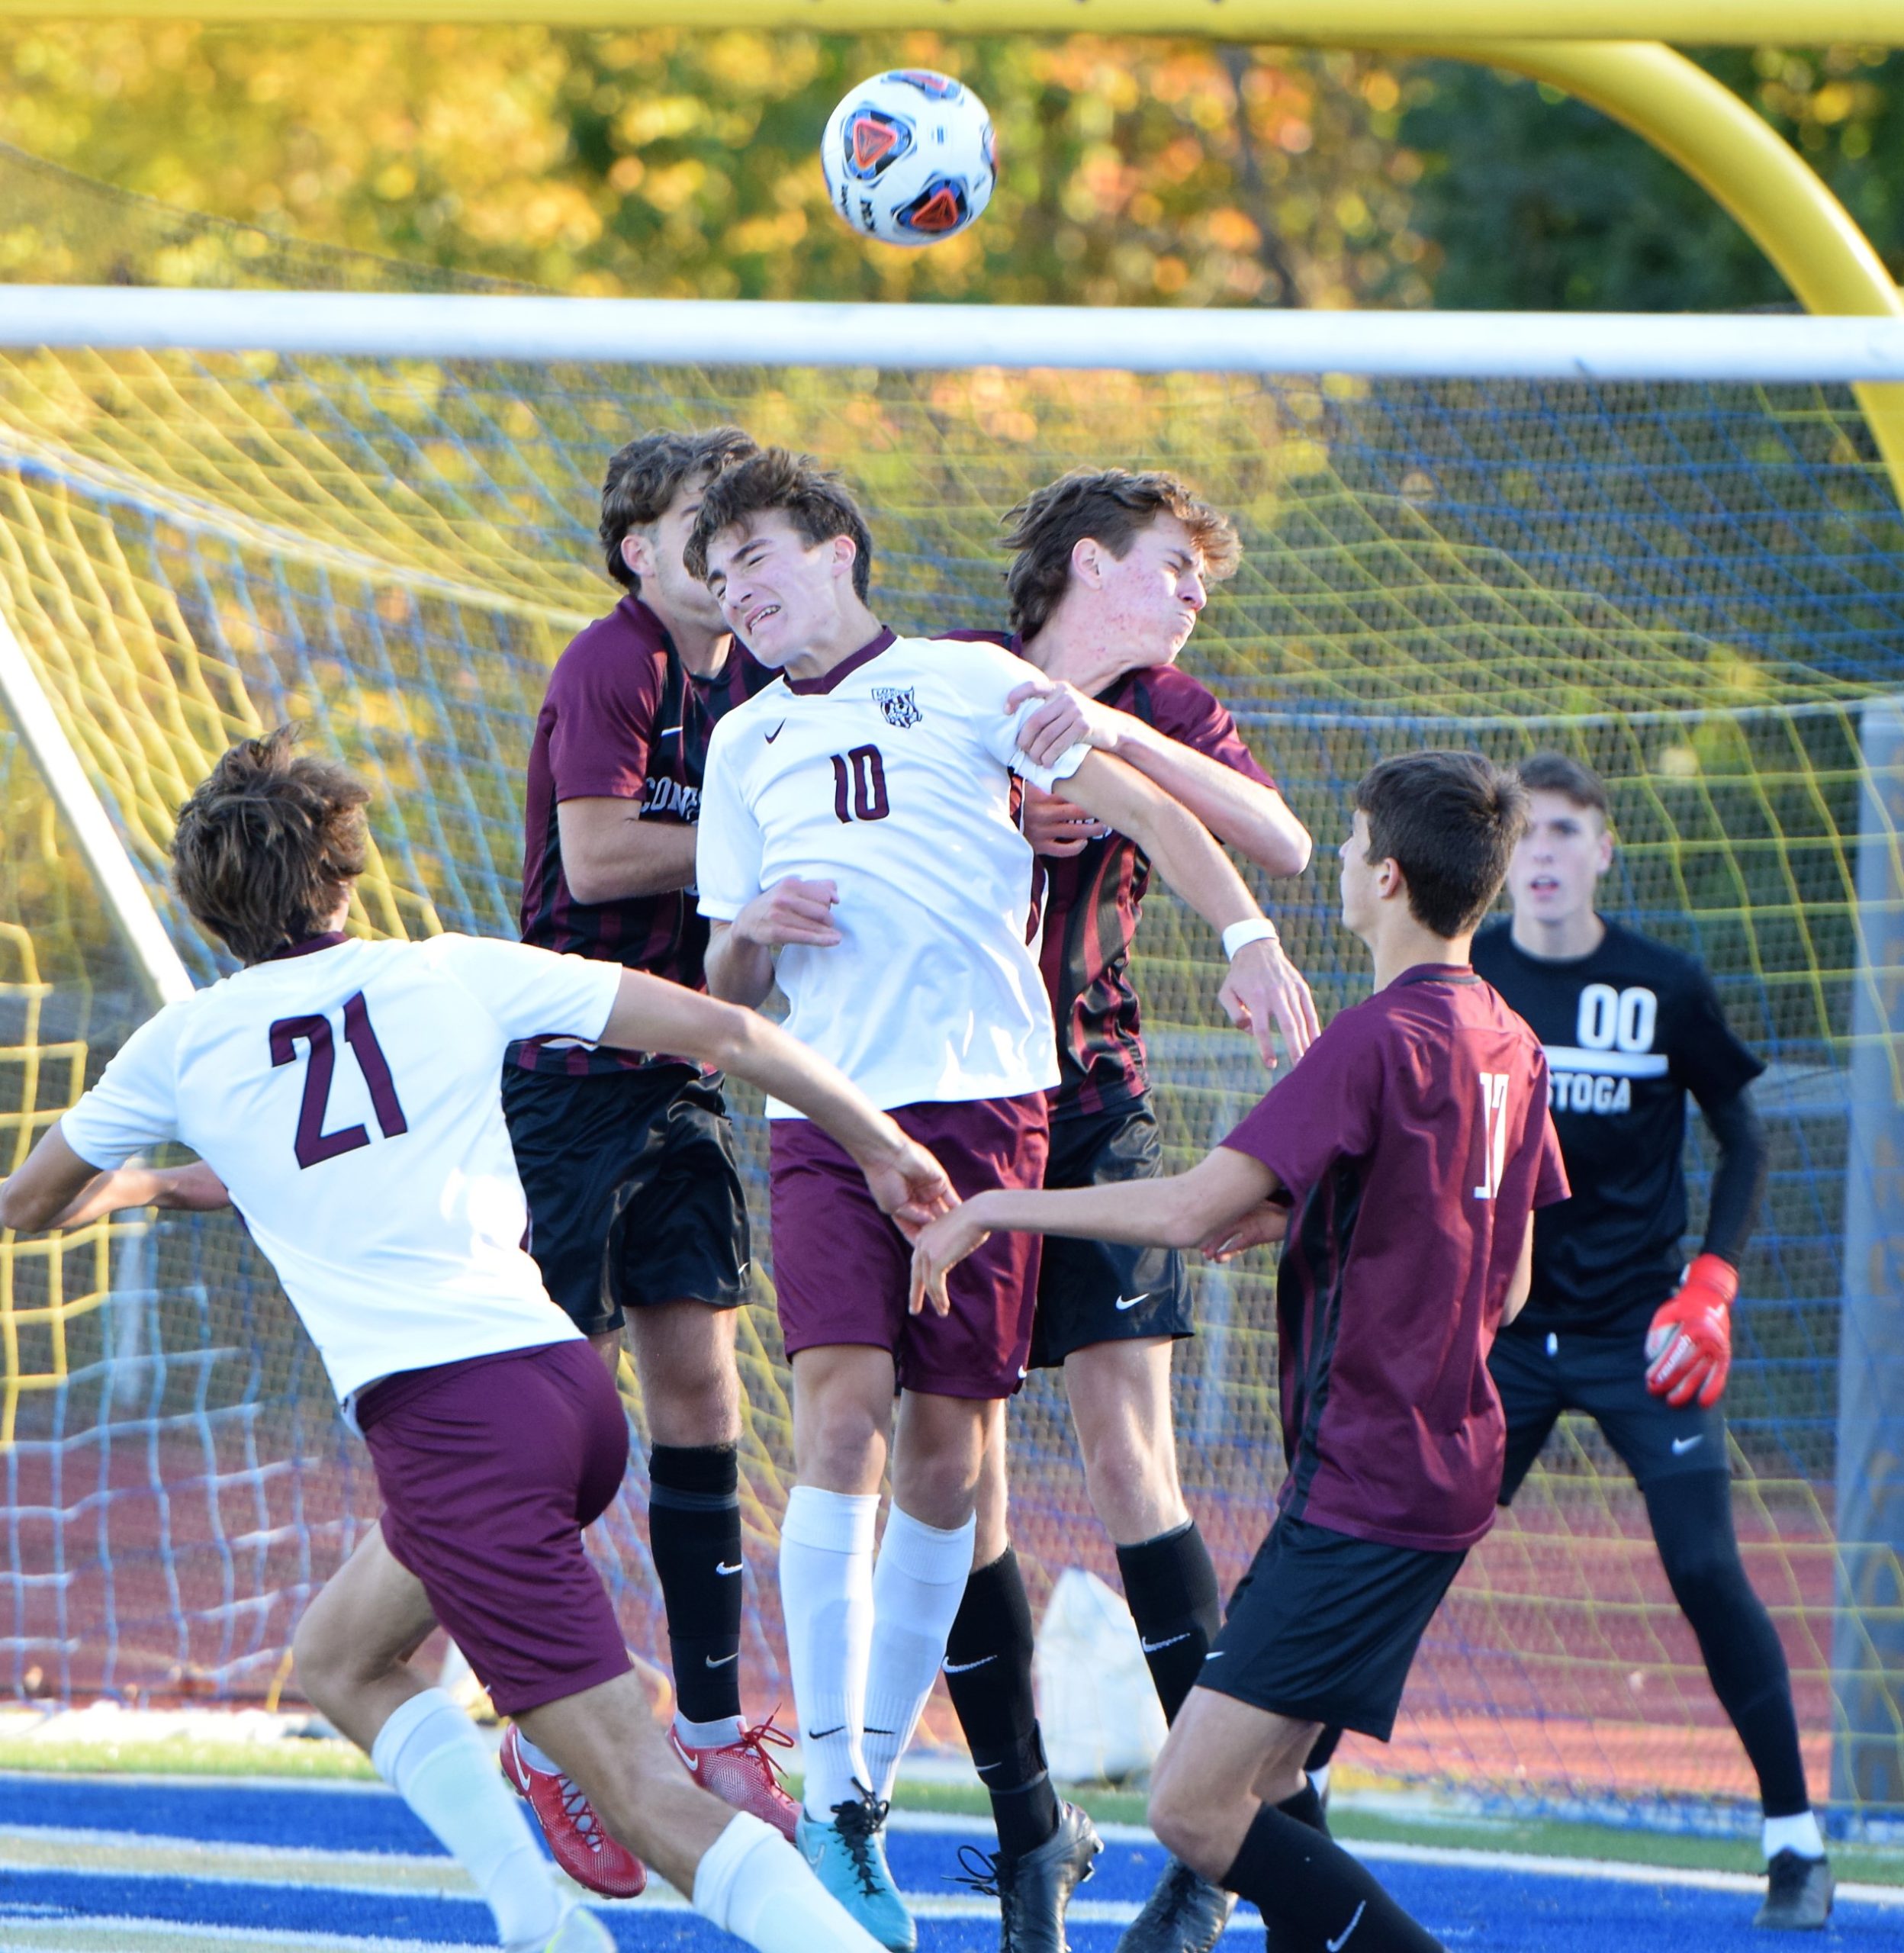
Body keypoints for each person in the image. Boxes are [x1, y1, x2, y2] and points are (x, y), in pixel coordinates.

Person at [0, 728, 957, 1953]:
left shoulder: (181, 1050)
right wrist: (881, 1142)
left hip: (453, 1433)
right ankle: (536, 1920)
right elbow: (727, 1033)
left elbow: (31, 1205)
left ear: (209, 909)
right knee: (341, 1657)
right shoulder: (448, 971)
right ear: (343, 873)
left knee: (642, 1794)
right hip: (562, 1390)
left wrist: (131, 1182)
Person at [684, 449, 1318, 1953]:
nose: (741, 592)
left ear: (838, 548)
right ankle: (839, 1792)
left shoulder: (975, 685)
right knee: (837, 1407)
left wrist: (1239, 933)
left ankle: (1024, 1810)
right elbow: (719, 985)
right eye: (718, 582)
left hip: (993, 1098)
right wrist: (750, 938)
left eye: (757, 556)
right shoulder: (742, 738)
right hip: (823, 1104)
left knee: (957, 1454)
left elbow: (1177, 820)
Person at [911, 750, 1567, 1953]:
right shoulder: (1512, 1043)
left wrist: (992, 1209)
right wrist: (1322, 1222)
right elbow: (1509, 1285)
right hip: (1445, 1466)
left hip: (1367, 1480)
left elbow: (1181, 1212)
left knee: (1195, 1808)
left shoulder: (1375, 1040)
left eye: (1352, 845)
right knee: (1263, 1791)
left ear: (1382, 877)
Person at [938, 468, 1312, 1949]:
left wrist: (1111, 745)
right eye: (1172, 566)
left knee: (1126, 1450)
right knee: (958, 1473)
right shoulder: (952, 678)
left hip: (1090, 1096)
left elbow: (1276, 840)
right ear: (1090, 560)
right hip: (947, 1101)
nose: (1191, 592)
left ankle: (1215, 1844)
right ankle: (1031, 1828)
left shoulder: (1168, 702)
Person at [501, 426, 801, 1866]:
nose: (731, 548)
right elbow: (606, 853)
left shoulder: (759, 677)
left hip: (682, 1068)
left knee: (701, 1382)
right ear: (638, 548)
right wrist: (759, 830)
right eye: (705, 523)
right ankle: (543, 1732)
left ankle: (707, 1724)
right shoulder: (608, 661)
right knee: (555, 1417)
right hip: (567, 1077)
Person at [1469, 751, 1831, 1931]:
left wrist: (1713, 1283)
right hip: (1507, 1332)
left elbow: (1746, 1135)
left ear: (1605, 850)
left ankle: (1794, 1842)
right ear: (1502, 855)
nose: (1547, 855)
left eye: (1568, 833)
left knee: (1704, 1569)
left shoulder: (1664, 984)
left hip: (1641, 1334)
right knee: (1396, 1544)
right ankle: (1293, 1791)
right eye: (1528, 835)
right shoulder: (1468, 973)